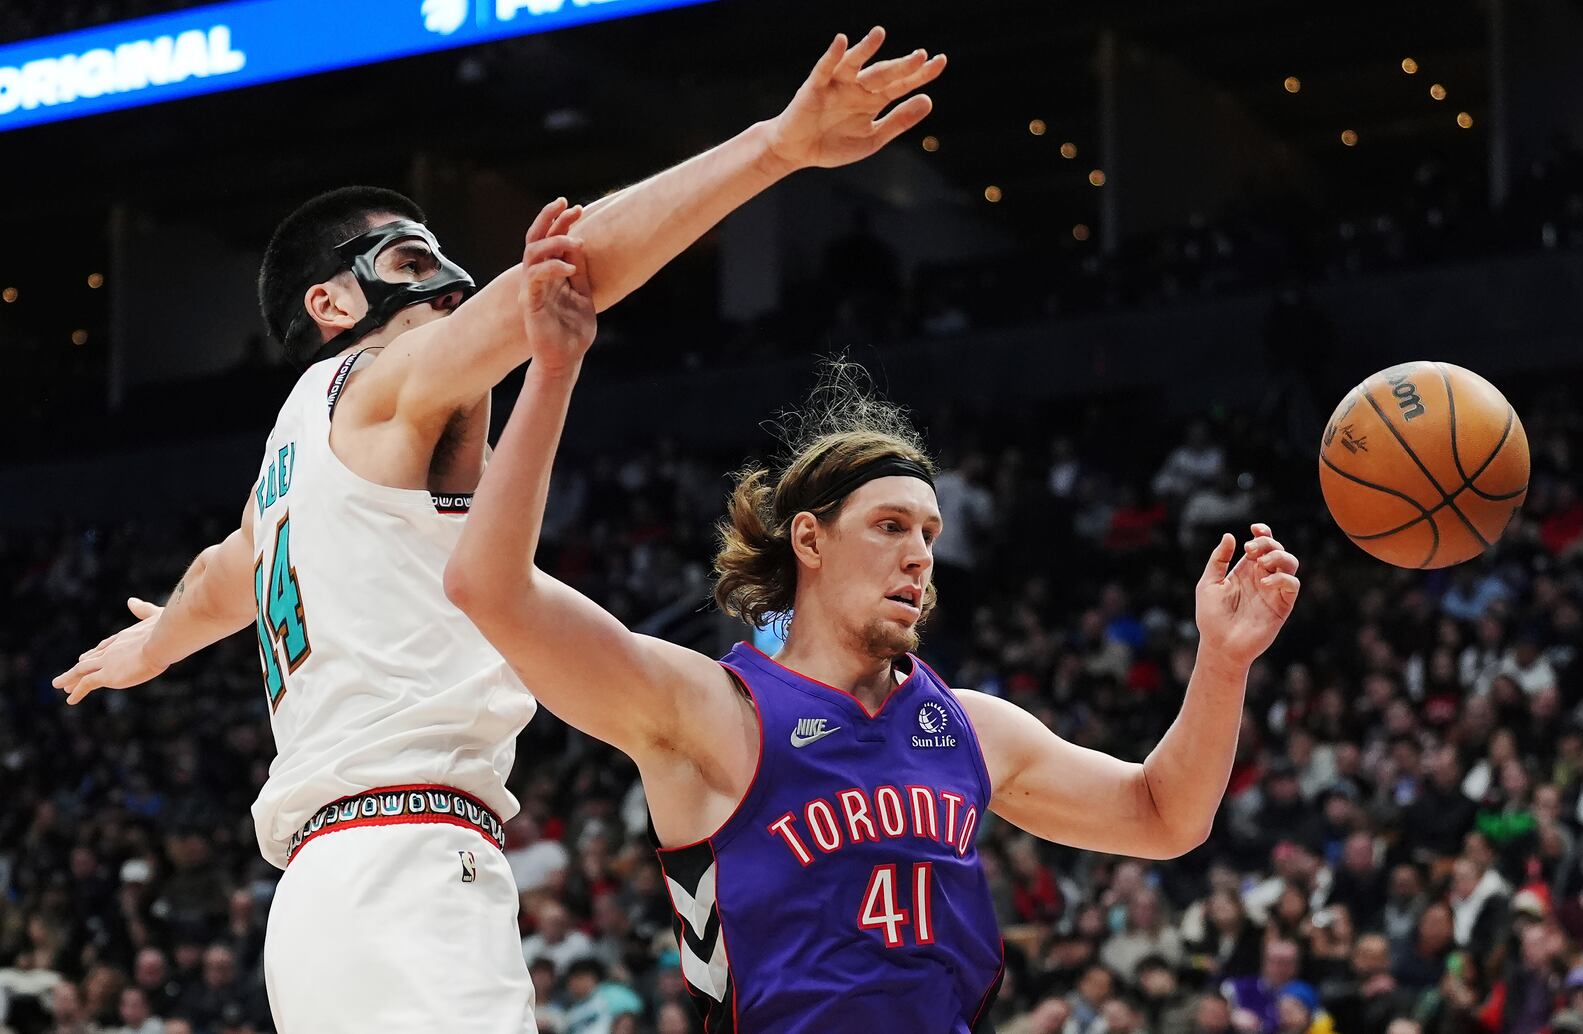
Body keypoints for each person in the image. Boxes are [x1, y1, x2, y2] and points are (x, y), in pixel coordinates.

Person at [48, 27, 947, 1034]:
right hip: (404, 865)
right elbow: (566, 277)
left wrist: (152, 641)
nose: (442, 273)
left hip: (320, 898)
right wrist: (775, 146)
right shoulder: (380, 378)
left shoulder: (283, 463)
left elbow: (224, 576)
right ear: (332, 300)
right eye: (405, 253)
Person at [445, 256, 1302, 1029]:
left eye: (929, 532)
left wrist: (1223, 662)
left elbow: (1164, 816)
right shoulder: (711, 711)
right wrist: (553, 373)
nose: (918, 554)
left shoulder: (971, 729)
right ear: (810, 542)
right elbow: (489, 586)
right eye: (890, 526)